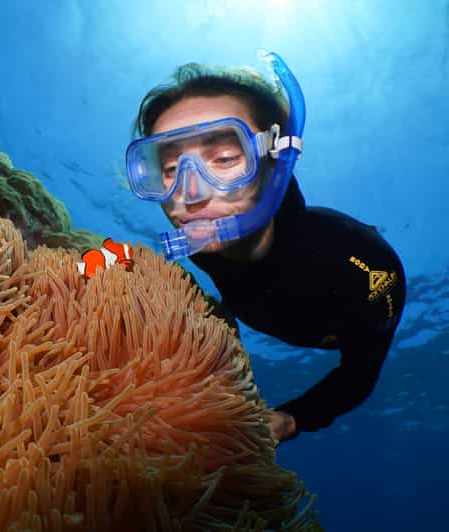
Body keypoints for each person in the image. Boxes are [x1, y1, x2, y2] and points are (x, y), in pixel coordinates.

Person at [124, 52, 406, 445]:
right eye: (170, 170)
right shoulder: (201, 244)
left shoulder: (364, 265)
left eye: (223, 158)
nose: (190, 193)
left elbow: (362, 369)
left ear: (276, 161)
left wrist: (293, 419)